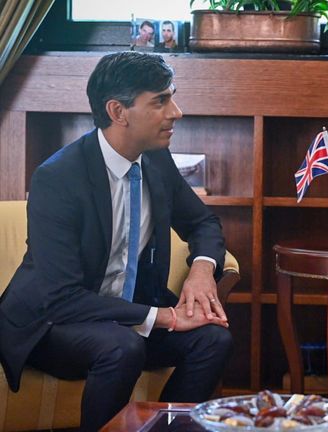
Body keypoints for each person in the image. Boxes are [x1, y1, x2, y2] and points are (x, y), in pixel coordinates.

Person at [0, 51, 233, 431]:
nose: (176, 111)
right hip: (53, 322)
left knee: (213, 340)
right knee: (122, 347)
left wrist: (203, 271)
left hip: (127, 313)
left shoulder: (155, 160)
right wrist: (168, 318)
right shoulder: (58, 178)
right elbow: (61, 296)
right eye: (160, 101)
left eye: (172, 96)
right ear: (118, 111)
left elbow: (202, 221)